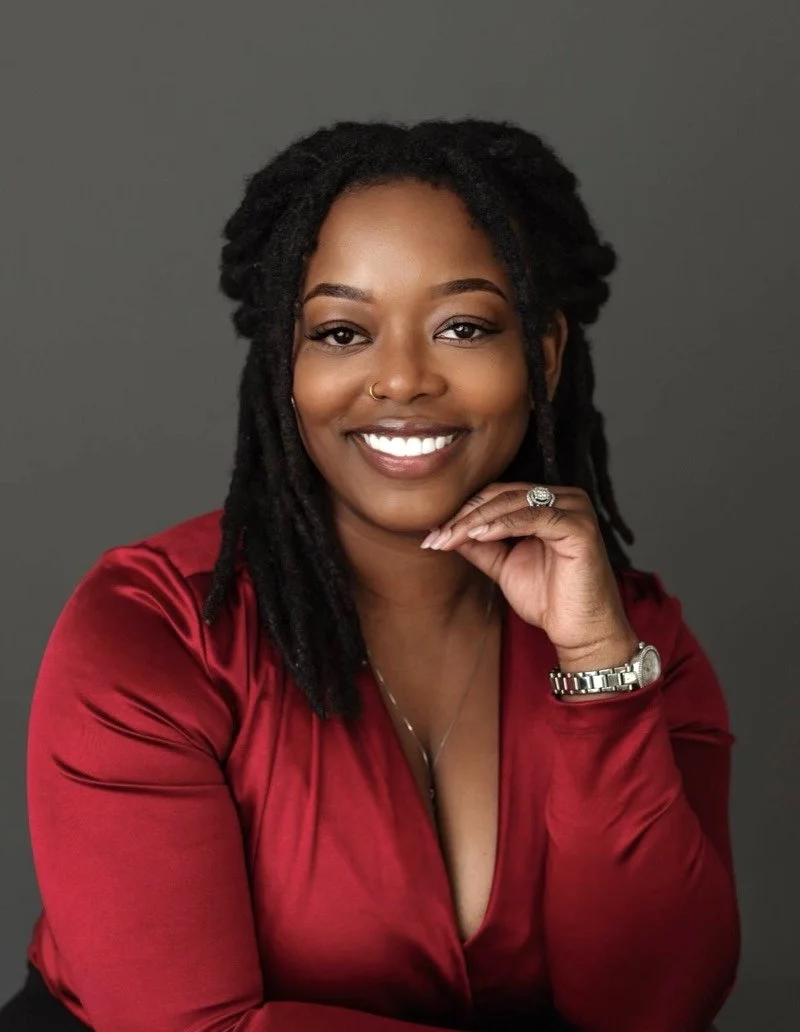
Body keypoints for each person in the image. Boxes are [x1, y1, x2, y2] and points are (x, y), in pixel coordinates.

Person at [0, 119, 739, 1031]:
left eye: (463, 326)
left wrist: (597, 668)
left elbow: (656, 1008)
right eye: (343, 331)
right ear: (286, 363)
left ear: (541, 353)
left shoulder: (637, 644)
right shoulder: (153, 633)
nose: (399, 379)